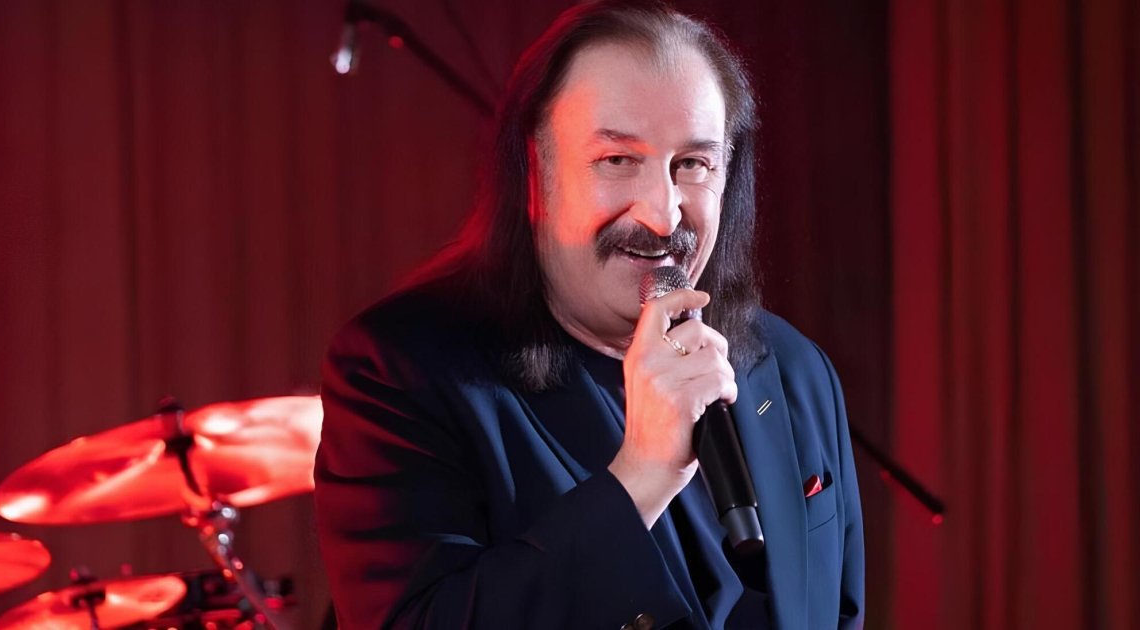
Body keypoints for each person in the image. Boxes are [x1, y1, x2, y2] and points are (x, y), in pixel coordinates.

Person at [314, 2, 864, 628]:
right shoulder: (402, 370)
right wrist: (639, 480)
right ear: (534, 172)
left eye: (692, 164)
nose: (663, 214)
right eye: (617, 160)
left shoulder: (792, 367)